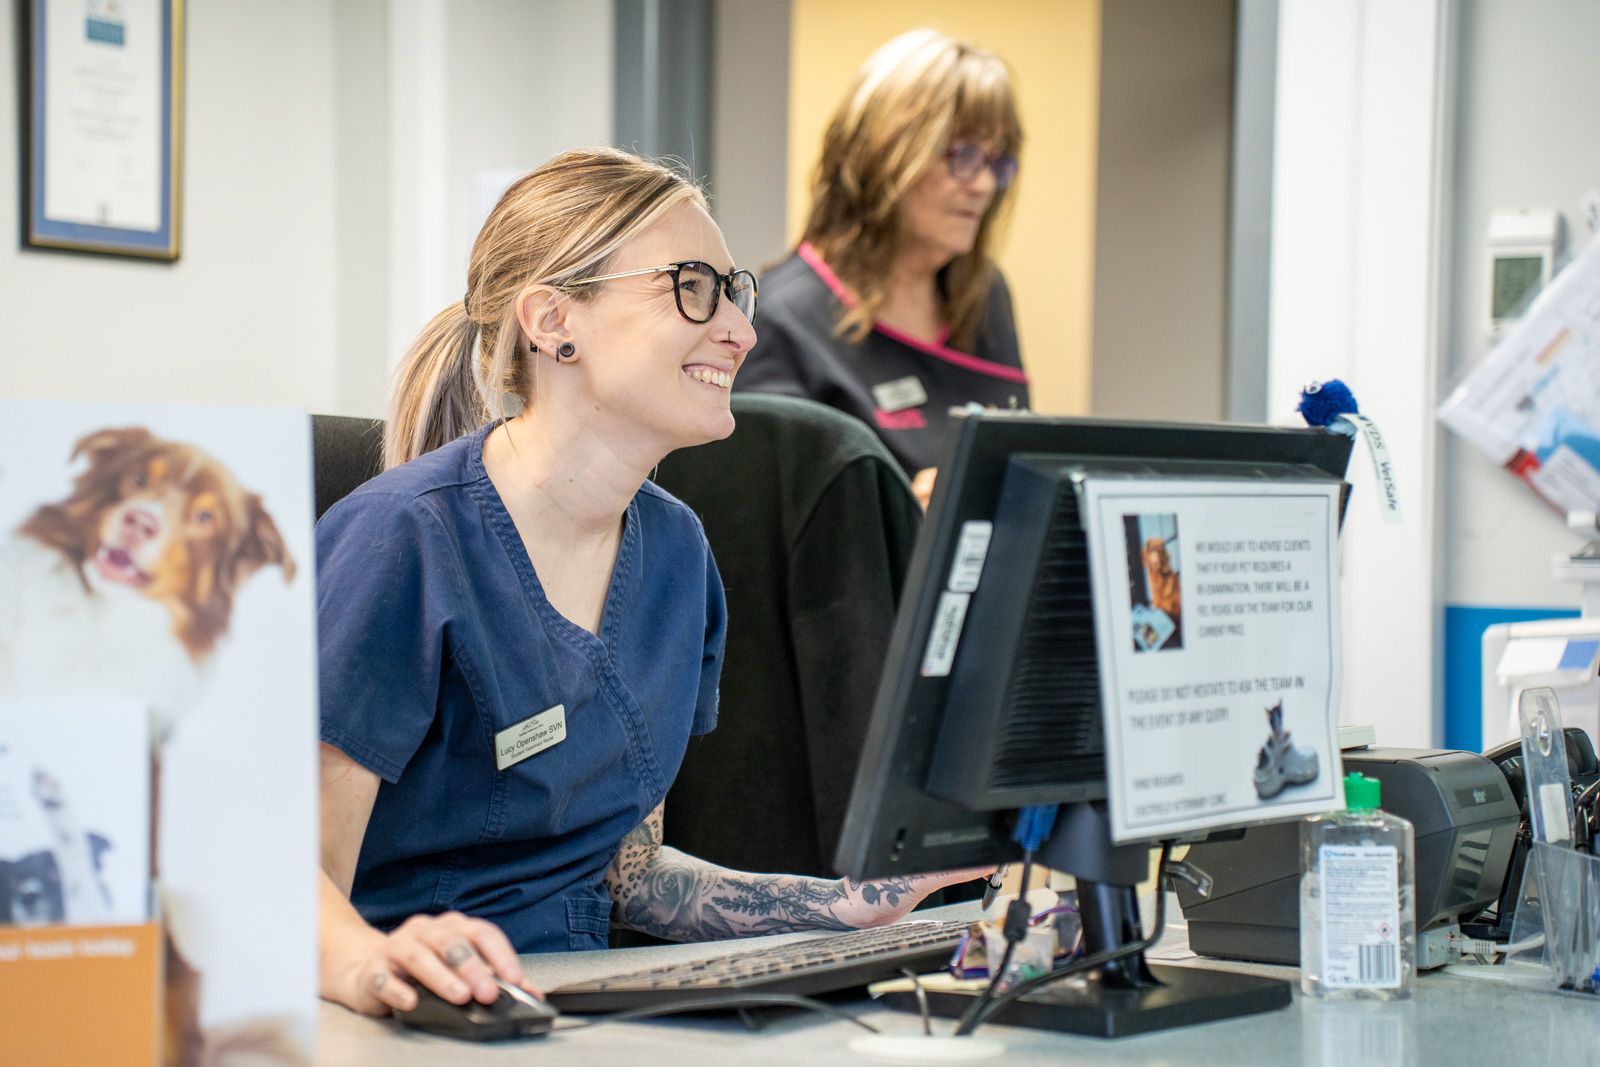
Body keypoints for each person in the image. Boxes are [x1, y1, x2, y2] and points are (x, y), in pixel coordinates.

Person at [314, 148, 978, 1018]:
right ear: (555, 320)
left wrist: (846, 905)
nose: (741, 331)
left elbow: (627, 872)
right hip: (414, 1018)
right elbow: (289, 880)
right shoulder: (404, 540)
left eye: (735, 292)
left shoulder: (676, 552)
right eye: (692, 286)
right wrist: (377, 962)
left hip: (575, 1011)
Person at [737, 29, 1030, 505]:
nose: (982, 185)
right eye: (963, 154)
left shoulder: (985, 295)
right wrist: (901, 514)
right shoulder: (784, 317)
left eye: (997, 162)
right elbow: (763, 531)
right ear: (884, 155)